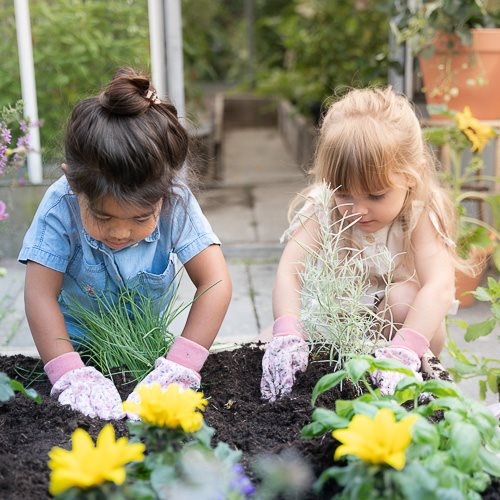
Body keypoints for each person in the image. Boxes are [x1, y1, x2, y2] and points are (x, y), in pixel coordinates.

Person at [19, 67, 232, 419]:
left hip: (147, 354)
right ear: (75, 185)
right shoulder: (60, 207)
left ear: (164, 194)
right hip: (77, 349)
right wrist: (69, 373)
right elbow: (39, 294)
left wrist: (179, 368)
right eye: (103, 217)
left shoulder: (176, 202)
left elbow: (216, 281)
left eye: (139, 219)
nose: (120, 233)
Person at [261, 87, 470, 402]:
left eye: (375, 195)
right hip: (338, 323)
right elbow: (290, 273)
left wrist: (404, 350)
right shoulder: (324, 205)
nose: (358, 209)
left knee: (404, 297)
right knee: (263, 345)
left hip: (397, 328)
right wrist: (288, 333)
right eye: (344, 194)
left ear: (412, 176)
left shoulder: (418, 210)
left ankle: (399, 377)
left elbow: (439, 286)